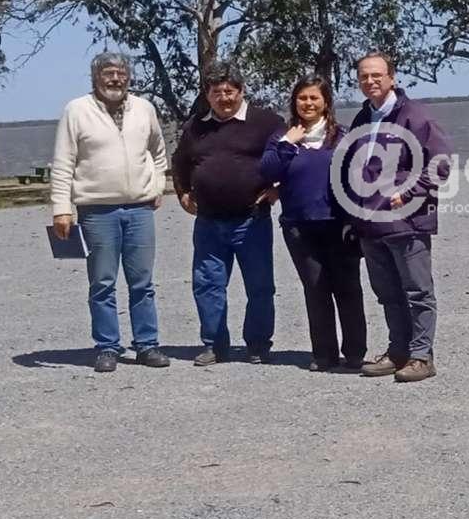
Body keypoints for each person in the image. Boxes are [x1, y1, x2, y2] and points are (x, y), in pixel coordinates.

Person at [50, 52, 170, 373]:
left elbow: (158, 152)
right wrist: (61, 209)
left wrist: (157, 186)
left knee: (142, 282)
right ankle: (107, 347)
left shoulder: (144, 109)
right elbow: (63, 163)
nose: (115, 79)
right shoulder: (76, 110)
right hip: (96, 211)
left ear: (128, 77)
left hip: (139, 210)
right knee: (102, 283)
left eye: (120, 73)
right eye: (108, 73)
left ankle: (147, 345)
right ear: (96, 77)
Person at [339, 52, 451, 383]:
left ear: (392, 77)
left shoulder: (414, 116)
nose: (370, 81)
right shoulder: (362, 119)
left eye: (376, 75)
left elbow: (440, 163)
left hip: (407, 221)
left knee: (417, 292)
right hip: (370, 224)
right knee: (387, 293)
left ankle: (421, 356)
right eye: (363, 76)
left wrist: (409, 192)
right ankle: (398, 350)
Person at [171, 61, 285, 366]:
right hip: (208, 222)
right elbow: (179, 162)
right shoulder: (195, 126)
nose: (224, 98)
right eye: (216, 92)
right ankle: (214, 344)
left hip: (251, 220)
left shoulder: (266, 122)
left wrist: (279, 188)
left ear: (241, 91)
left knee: (260, 286)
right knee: (208, 286)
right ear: (207, 95)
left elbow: (292, 156)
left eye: (229, 91)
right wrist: (182, 191)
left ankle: (258, 345)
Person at [261, 75, 366, 372]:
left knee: (348, 288)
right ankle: (324, 354)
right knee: (315, 289)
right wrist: (287, 144)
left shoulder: (342, 136)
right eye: (302, 98)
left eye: (314, 98)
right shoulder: (283, 136)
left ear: (326, 102)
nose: (308, 103)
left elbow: (359, 176)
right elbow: (267, 170)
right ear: (294, 102)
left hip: (339, 224)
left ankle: (355, 353)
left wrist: (358, 219)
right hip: (299, 226)